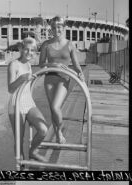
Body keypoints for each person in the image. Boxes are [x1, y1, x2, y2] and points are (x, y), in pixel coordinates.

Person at [39, 15, 85, 144]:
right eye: (53, 27)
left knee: (55, 106)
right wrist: (54, 65)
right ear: (51, 29)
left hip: (63, 79)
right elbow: (41, 64)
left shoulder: (70, 44)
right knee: (53, 109)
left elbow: (76, 65)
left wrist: (80, 74)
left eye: (59, 27)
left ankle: (59, 129)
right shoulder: (46, 44)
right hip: (49, 78)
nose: (56, 29)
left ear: (63, 28)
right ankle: (58, 134)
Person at [8, 37, 48, 163]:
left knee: (43, 129)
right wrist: (23, 78)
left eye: (32, 50)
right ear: (21, 48)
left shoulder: (29, 64)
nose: (29, 52)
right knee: (19, 140)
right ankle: (21, 167)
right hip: (16, 105)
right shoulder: (13, 64)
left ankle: (32, 151)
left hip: (29, 103)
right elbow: (10, 88)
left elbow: (27, 86)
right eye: (26, 49)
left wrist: (35, 78)